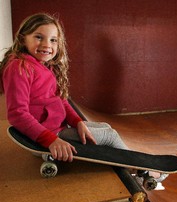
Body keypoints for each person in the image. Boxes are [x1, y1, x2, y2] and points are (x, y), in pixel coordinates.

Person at [0, 13, 128, 163]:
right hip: (48, 136)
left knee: (105, 126)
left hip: (57, 128)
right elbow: (17, 114)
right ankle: (137, 168)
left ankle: (118, 163)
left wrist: (78, 122)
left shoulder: (44, 66)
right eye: (39, 37)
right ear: (23, 39)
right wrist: (51, 140)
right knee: (110, 136)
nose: (47, 44)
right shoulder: (20, 67)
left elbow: (61, 100)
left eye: (53, 40)